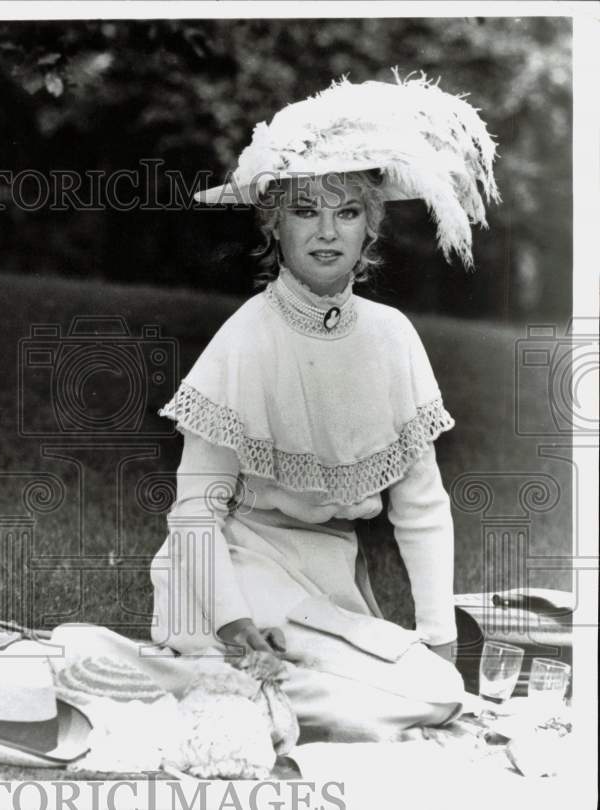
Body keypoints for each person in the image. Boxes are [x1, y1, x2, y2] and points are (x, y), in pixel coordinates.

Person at [150, 74, 499, 691]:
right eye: (304, 212)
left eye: (347, 213)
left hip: (330, 576)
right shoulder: (246, 336)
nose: (327, 231)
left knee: (426, 689)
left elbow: (420, 508)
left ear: (371, 227)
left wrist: (440, 639)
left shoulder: (391, 336)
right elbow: (195, 512)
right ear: (273, 228)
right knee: (288, 683)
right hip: (228, 571)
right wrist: (233, 623)